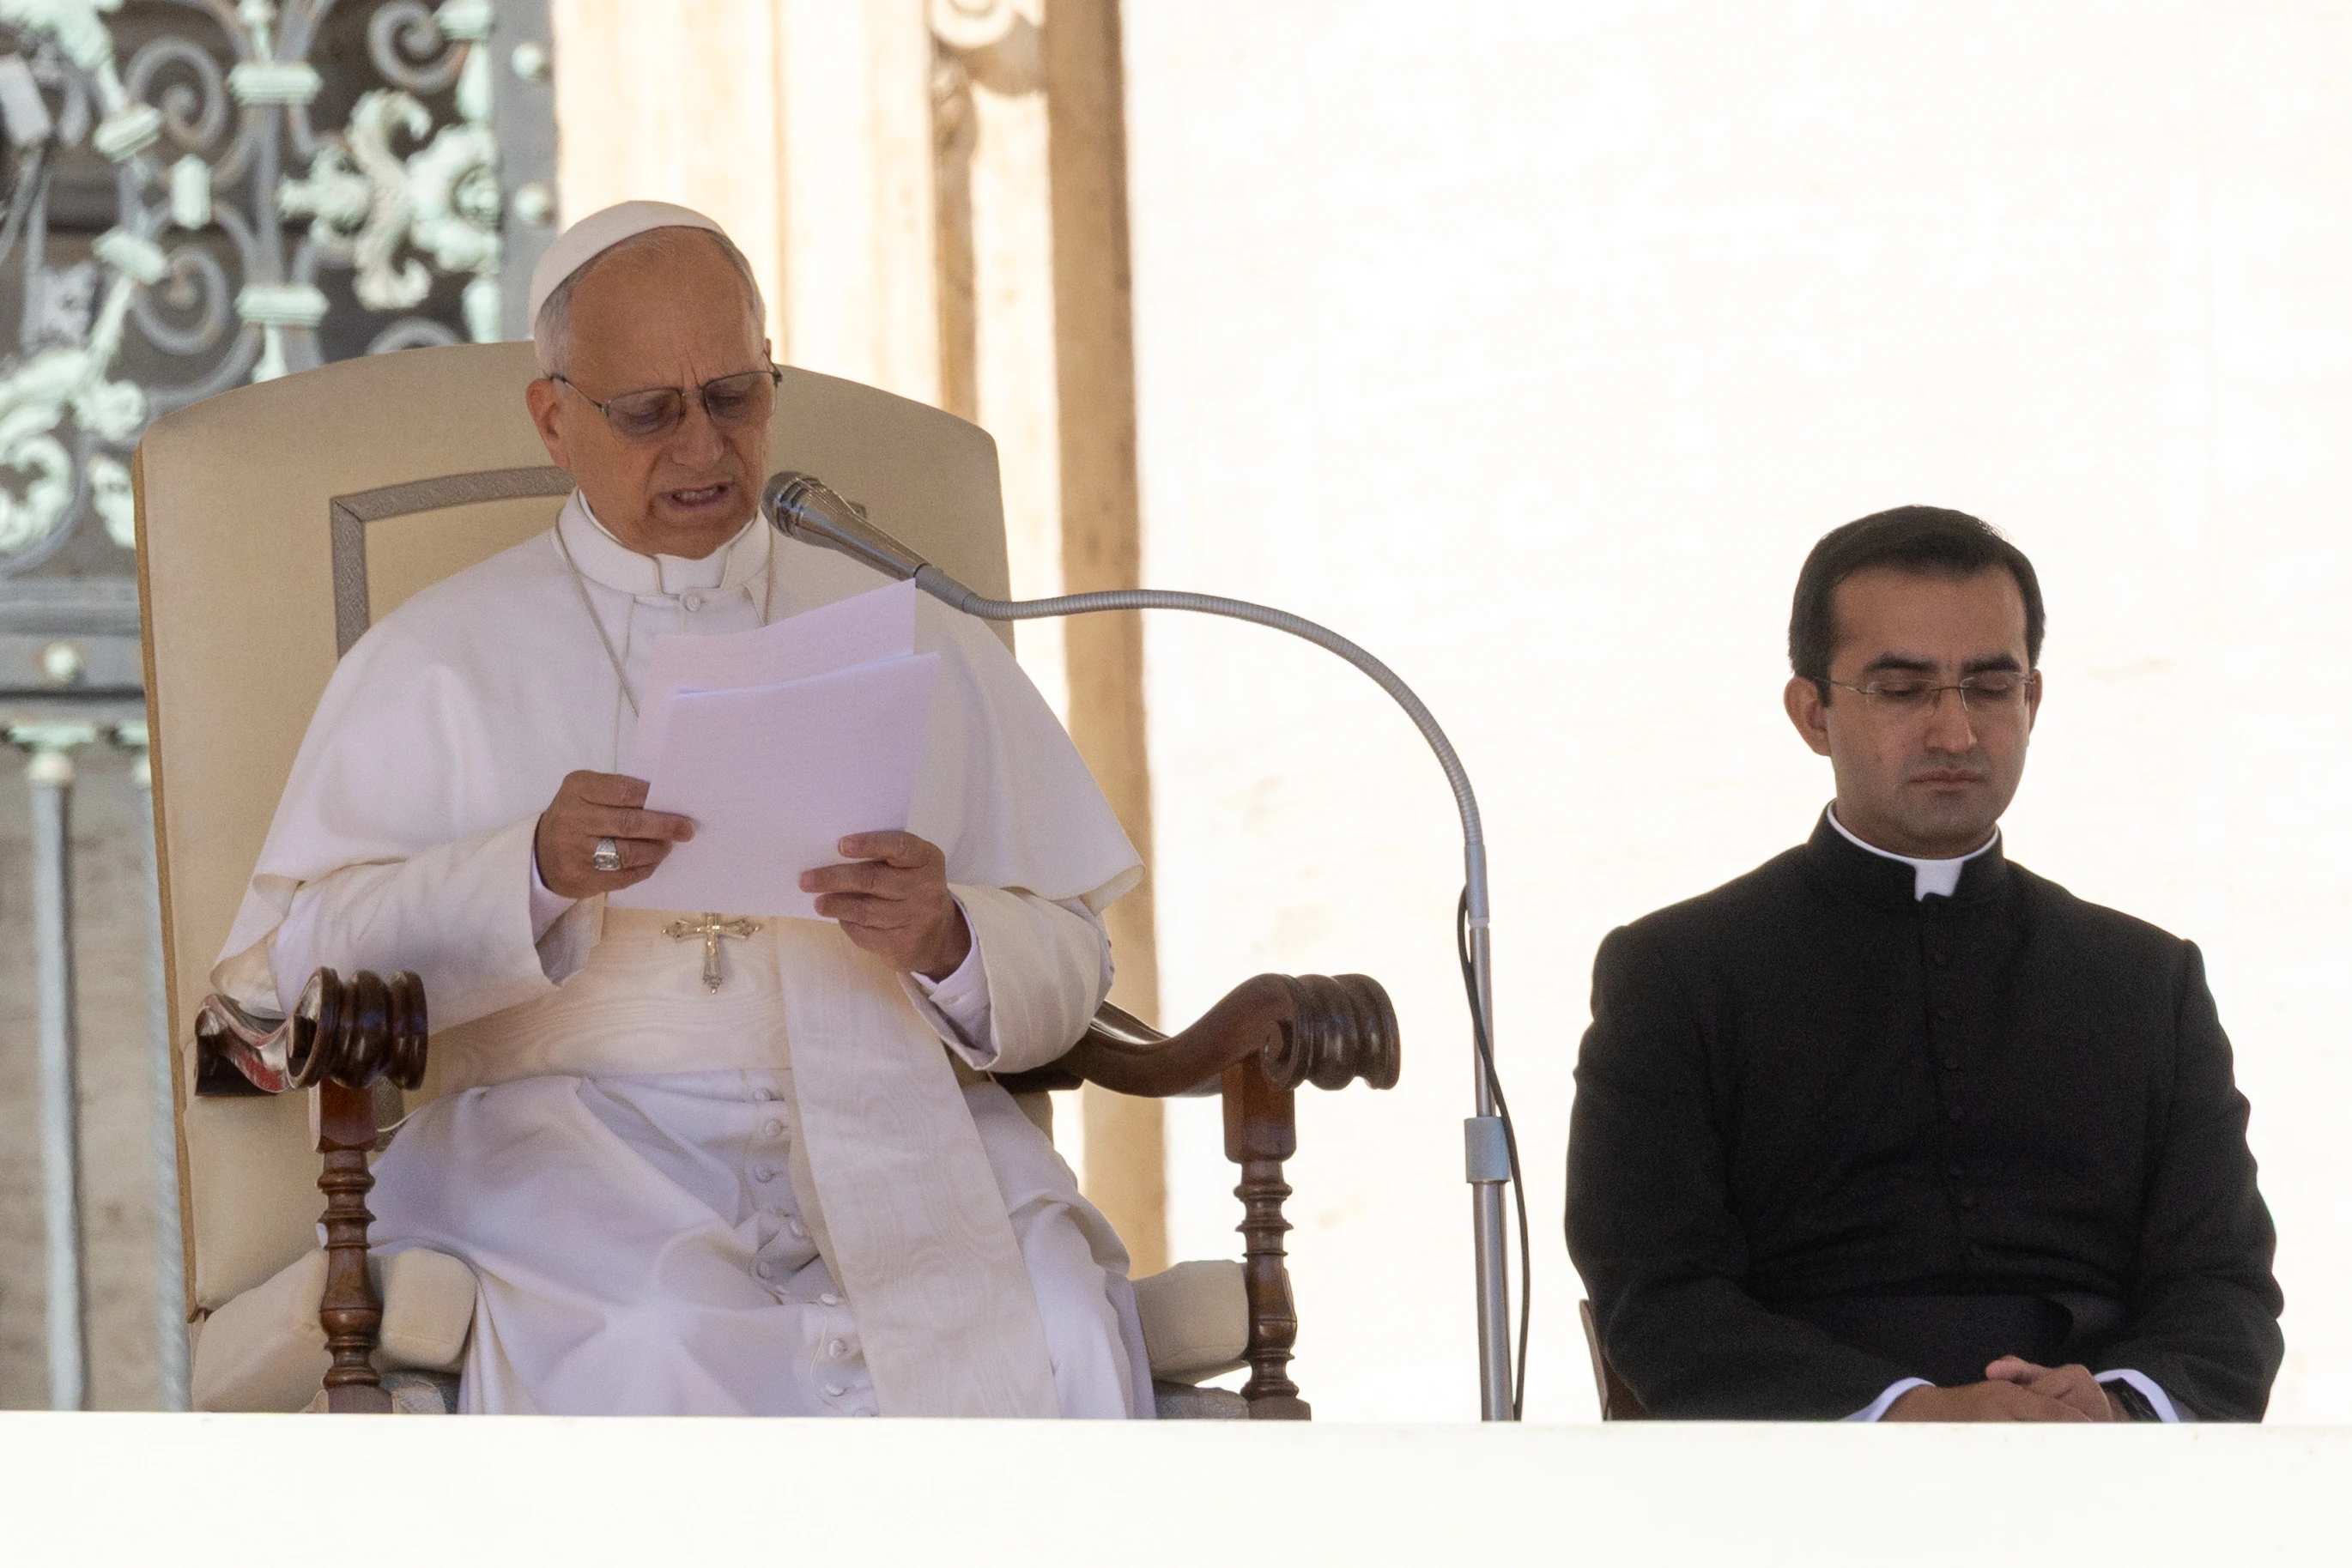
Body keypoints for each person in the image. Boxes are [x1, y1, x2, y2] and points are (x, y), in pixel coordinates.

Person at [212, 202, 1152, 1418]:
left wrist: (950, 937)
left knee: (1060, 1319)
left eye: (735, 396)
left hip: (901, 1130)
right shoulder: (438, 658)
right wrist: (528, 872)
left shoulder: (917, 633)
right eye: (650, 411)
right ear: (554, 418)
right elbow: (282, 984)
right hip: (574, 1152)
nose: (704, 446)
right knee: (655, 1340)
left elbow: (1076, 953)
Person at [1566, 506, 2282, 1421]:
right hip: (1795, 1469)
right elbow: (1659, 1295)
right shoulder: (1677, 974)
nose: (1955, 733)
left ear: (2032, 702)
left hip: (2101, 1466)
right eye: (1902, 690)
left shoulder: (2146, 981)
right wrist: (1909, 1413)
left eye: (1989, 686)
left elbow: (2224, 1288)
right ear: (1812, 713)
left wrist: (2115, 1407)